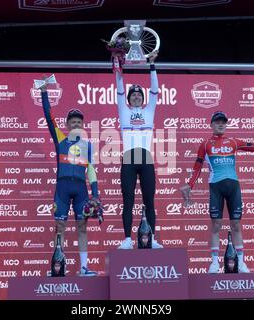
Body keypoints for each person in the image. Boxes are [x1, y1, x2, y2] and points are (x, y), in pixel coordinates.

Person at [181, 111, 254, 273]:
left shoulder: (234, 142)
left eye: (223, 122)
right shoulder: (205, 144)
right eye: (218, 122)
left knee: (236, 224)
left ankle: (241, 262)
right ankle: (214, 263)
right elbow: (198, 167)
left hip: (233, 187)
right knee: (216, 224)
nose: (221, 124)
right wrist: (189, 185)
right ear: (212, 125)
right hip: (216, 187)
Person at [40, 80, 100, 276]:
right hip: (63, 188)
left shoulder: (88, 145)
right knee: (60, 227)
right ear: (67, 125)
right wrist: (44, 94)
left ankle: (84, 267)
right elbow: (49, 118)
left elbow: (90, 169)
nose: (76, 124)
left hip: (81, 189)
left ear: (82, 125)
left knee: (82, 227)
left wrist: (96, 194)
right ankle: (59, 266)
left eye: (79, 122)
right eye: (72, 121)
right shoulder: (60, 138)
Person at [113, 50, 163, 249]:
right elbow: (119, 88)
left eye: (137, 95)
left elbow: (155, 90)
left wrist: (152, 65)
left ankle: (152, 239)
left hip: (146, 159)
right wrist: (118, 65)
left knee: (149, 201)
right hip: (128, 160)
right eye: (132, 95)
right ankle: (126, 239)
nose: (134, 97)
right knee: (128, 201)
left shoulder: (149, 110)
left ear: (142, 98)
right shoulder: (123, 110)